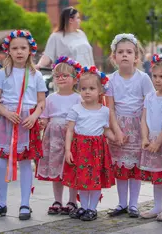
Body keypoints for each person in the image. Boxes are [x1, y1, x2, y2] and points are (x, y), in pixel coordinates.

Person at [0, 30, 47, 220]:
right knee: (1, 162)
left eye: (23, 48)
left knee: (26, 163)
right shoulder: (2, 74)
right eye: (15, 48)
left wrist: (35, 116)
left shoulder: (36, 75)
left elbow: (42, 102)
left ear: (30, 51)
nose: (19, 51)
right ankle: (1, 202)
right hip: (7, 120)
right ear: (8, 51)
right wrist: (7, 113)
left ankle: (25, 204)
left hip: (26, 122)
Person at [106, 33, 154, 218]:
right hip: (118, 124)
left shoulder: (143, 79)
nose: (124, 55)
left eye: (129, 52)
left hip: (137, 125)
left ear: (136, 57)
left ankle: (133, 204)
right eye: (120, 52)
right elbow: (110, 108)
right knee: (120, 167)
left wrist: (145, 133)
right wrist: (116, 131)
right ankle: (121, 203)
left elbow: (148, 105)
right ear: (114, 57)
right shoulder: (110, 80)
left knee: (134, 168)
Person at [62, 66, 115, 221]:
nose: (87, 91)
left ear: (100, 91)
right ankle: (84, 207)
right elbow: (70, 130)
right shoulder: (76, 109)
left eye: (91, 88)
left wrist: (115, 138)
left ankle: (92, 208)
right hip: (80, 149)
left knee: (95, 180)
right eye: (83, 88)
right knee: (82, 180)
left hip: (97, 150)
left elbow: (105, 129)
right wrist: (67, 150)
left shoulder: (104, 111)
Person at [36, 56, 82, 215]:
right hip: (53, 137)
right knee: (56, 167)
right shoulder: (51, 98)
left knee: (71, 167)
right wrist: (42, 123)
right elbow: (45, 116)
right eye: (57, 76)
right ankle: (57, 200)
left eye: (65, 75)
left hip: (72, 136)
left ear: (75, 80)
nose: (61, 78)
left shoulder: (79, 98)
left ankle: (72, 201)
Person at [139, 54, 162, 221]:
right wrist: (145, 138)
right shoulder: (150, 97)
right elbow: (144, 119)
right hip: (151, 140)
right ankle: (157, 206)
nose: (157, 80)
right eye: (155, 76)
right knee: (157, 177)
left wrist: (159, 141)